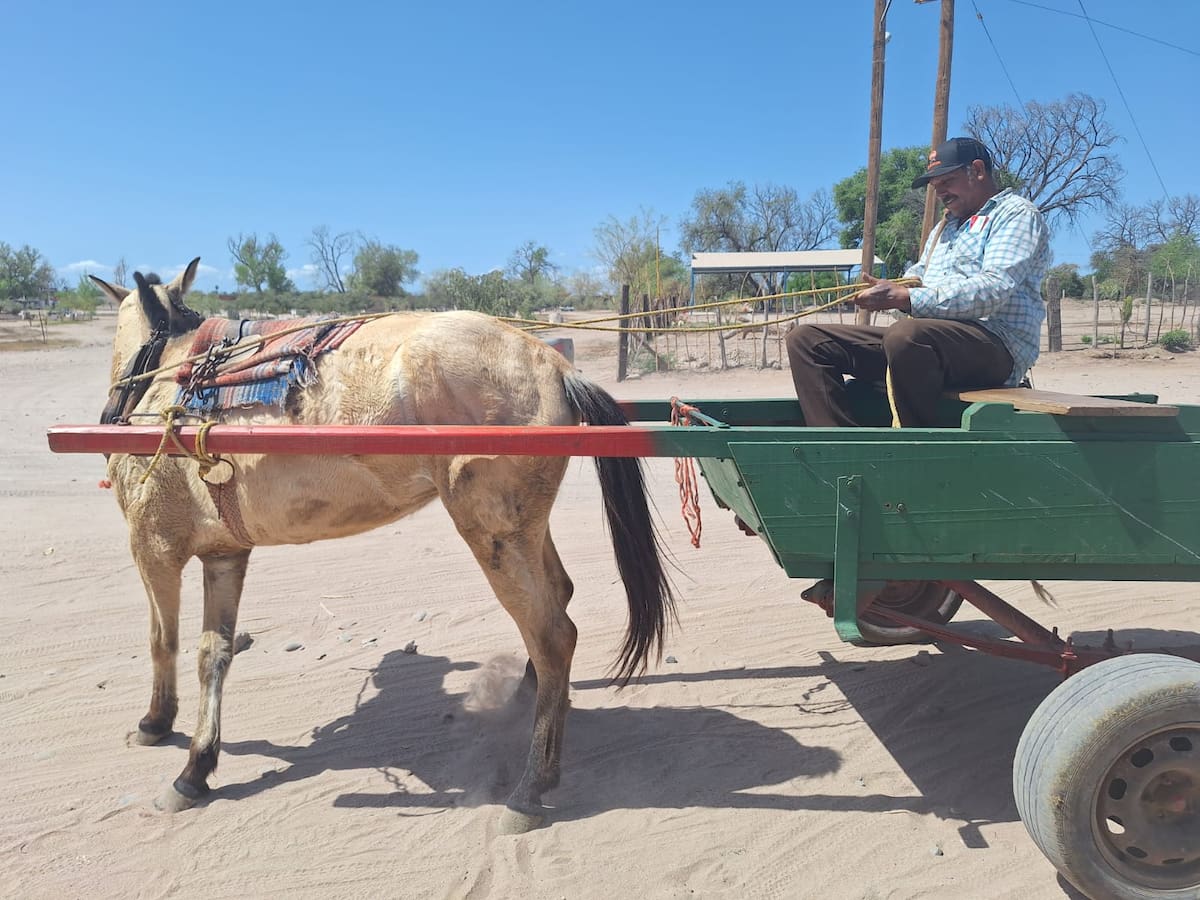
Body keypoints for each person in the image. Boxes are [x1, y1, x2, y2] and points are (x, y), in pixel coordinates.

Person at [786, 136, 1051, 428]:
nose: (940, 193)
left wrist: (907, 298)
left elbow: (993, 288)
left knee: (907, 336)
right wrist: (888, 290)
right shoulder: (946, 227)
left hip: (996, 345)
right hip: (931, 342)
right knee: (807, 340)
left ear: (977, 170)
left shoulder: (1015, 214)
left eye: (946, 182)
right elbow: (918, 277)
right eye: (936, 187)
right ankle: (837, 447)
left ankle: (914, 442)